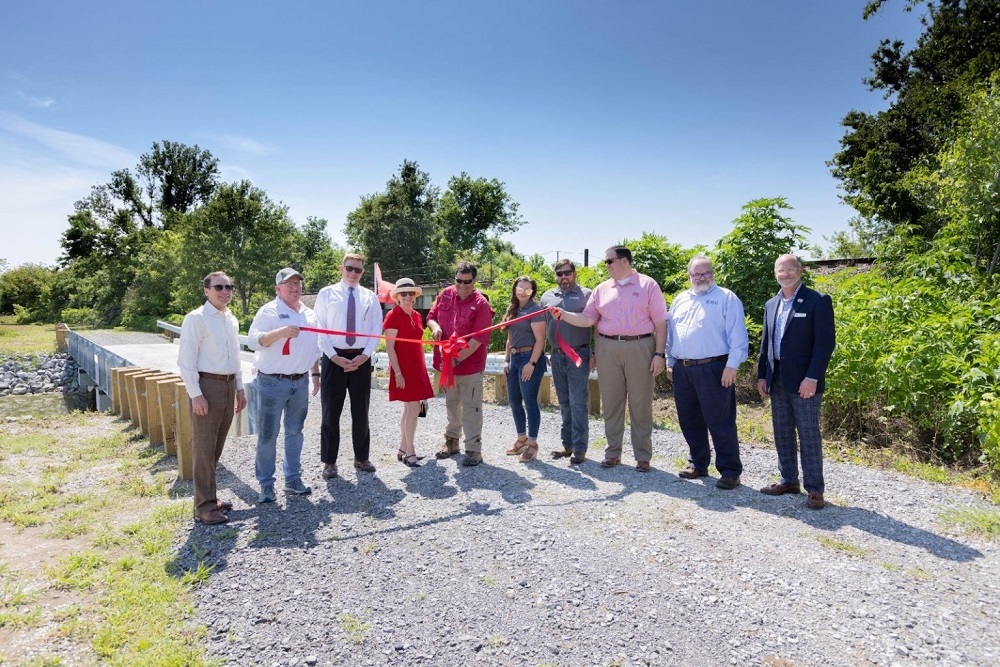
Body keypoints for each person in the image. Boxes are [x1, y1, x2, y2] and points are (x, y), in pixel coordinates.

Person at [552, 245, 668, 472]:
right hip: (607, 347)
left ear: (624, 261)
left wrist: (659, 354)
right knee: (612, 403)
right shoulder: (602, 289)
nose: (605, 265)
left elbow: (661, 322)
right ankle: (613, 452)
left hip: (640, 346)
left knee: (640, 403)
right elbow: (588, 319)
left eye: (609, 261)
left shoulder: (648, 285)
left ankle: (643, 457)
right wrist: (564, 315)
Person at [757, 254, 836, 509]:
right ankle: (789, 480)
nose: (786, 274)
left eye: (790, 269)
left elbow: (825, 344)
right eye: (781, 270)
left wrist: (812, 377)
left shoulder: (817, 300)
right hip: (776, 376)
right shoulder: (771, 304)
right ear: (775, 273)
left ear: (800, 271)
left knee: (808, 433)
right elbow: (765, 344)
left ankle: (815, 490)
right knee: (782, 431)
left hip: (805, 381)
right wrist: (762, 375)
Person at [666, 254, 748, 490]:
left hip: (714, 368)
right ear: (689, 276)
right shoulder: (680, 299)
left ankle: (730, 470)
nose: (702, 277)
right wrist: (671, 361)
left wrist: (732, 365)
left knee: (720, 421)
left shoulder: (726, 298)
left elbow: (738, 335)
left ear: (713, 273)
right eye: (697, 274)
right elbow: (671, 335)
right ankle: (698, 463)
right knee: (689, 420)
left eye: (706, 272)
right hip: (683, 369)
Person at [177, 271, 247, 524]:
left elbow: (236, 358)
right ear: (206, 290)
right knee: (204, 449)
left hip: (228, 386)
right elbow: (185, 361)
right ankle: (204, 506)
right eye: (219, 286)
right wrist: (196, 395)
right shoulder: (197, 318)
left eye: (229, 286)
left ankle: (211, 498)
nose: (225, 290)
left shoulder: (230, 319)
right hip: (207, 385)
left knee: (216, 447)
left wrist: (239, 388)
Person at [246, 267, 321, 503]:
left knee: (295, 432)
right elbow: (253, 341)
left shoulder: (309, 314)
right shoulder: (268, 311)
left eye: (298, 284)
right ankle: (266, 484)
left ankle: (292, 480)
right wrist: (280, 333)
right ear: (278, 289)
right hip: (271, 382)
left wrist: (315, 374)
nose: (295, 288)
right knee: (268, 435)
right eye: (290, 284)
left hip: (300, 382)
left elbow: (313, 347)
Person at [314, 253, 382, 479]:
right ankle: (330, 462)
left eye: (358, 270)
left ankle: (361, 457)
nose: (353, 273)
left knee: (361, 412)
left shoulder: (370, 297)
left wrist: (365, 355)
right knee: (330, 413)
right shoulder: (326, 294)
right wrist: (334, 357)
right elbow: (320, 328)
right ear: (341, 268)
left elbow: (375, 328)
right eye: (349, 268)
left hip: (361, 359)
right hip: (334, 359)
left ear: (363, 272)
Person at [427, 261, 495, 466]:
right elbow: (430, 317)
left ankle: (474, 449)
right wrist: (435, 327)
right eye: (459, 281)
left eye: (467, 282)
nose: (462, 285)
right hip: (447, 365)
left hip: (469, 366)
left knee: (471, 407)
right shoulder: (445, 294)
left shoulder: (481, 304)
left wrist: (455, 359)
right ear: (454, 279)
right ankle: (451, 442)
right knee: (451, 404)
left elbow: (478, 340)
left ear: (474, 281)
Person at [539, 260, 594, 465]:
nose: (564, 277)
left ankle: (580, 448)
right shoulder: (547, 296)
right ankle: (568, 445)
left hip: (578, 354)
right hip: (556, 355)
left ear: (575, 273)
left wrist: (595, 351)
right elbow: (542, 326)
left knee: (577, 401)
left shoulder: (587, 295)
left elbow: (596, 323)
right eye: (560, 274)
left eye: (567, 273)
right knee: (563, 401)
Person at [383, 277, 435, 467]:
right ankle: (410, 451)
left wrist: (424, 369)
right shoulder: (393, 315)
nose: (407, 296)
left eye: (410, 293)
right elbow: (390, 347)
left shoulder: (415, 315)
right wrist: (398, 373)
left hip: (417, 367)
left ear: (414, 296)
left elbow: (418, 345)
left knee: (410, 409)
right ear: (397, 296)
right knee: (413, 409)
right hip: (402, 368)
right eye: (403, 293)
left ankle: (403, 447)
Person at [502, 276, 548, 462]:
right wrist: (506, 360)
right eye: (520, 288)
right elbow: (509, 338)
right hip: (514, 358)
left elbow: (540, 340)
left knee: (529, 402)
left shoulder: (535, 311)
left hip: (529, 358)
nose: (523, 292)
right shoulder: (514, 309)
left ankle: (532, 444)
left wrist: (532, 363)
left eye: (528, 289)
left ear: (532, 292)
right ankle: (521, 438)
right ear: (515, 289)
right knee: (514, 401)